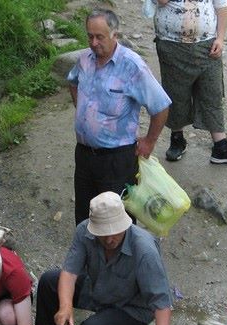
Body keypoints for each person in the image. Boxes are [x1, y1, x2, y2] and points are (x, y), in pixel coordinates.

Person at [25, 191, 173, 325]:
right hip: (96, 287)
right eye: (103, 234)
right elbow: (70, 273)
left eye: (114, 234)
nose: (109, 240)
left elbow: (161, 301)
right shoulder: (84, 231)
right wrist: (65, 306)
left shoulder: (144, 250)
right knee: (49, 282)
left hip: (131, 306)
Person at [68, 8, 172, 225]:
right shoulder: (84, 60)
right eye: (90, 36)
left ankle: (121, 259)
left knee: (118, 222)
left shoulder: (132, 66)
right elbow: (72, 80)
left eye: (100, 37)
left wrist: (150, 141)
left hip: (117, 159)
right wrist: (83, 110)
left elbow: (160, 106)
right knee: (85, 217)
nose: (94, 42)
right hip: (85, 155)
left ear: (115, 34)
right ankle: (89, 257)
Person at [152, 0, 227, 165]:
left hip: (208, 43)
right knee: (176, 93)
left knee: (212, 92)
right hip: (171, 44)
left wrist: (220, 38)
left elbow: (222, 6)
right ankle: (177, 139)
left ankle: (220, 146)